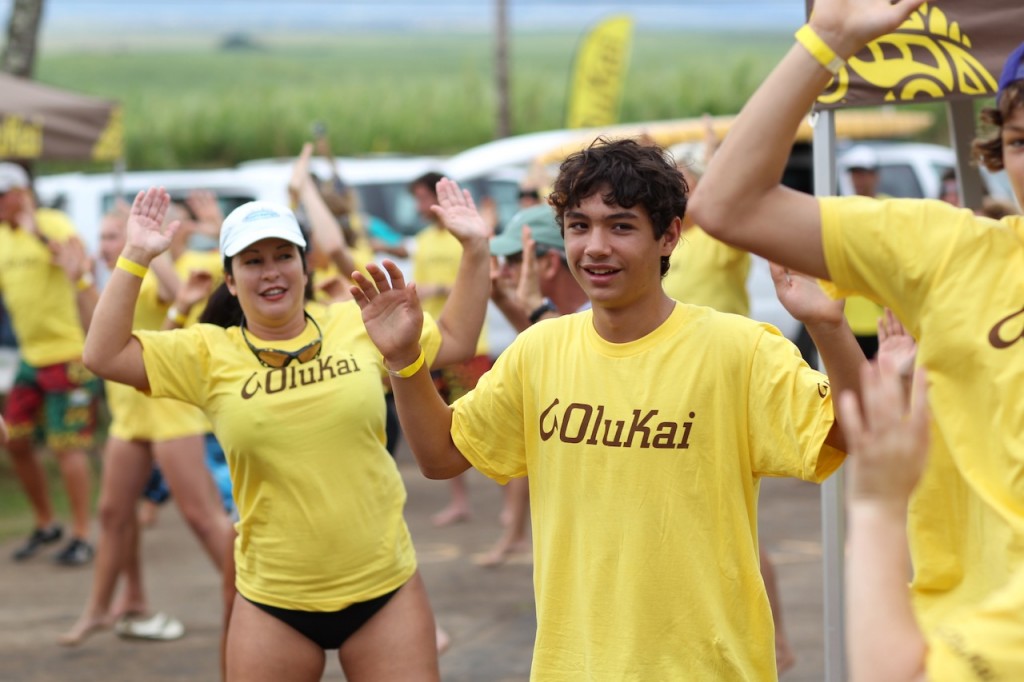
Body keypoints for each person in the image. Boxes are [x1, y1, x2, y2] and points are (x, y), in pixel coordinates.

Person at [352, 138, 866, 679]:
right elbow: (439, 456)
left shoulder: (739, 350)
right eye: (579, 225)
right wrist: (406, 359)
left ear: (668, 236)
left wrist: (828, 327)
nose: (595, 246)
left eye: (620, 226)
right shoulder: (539, 350)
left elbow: (851, 433)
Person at [691, 2, 1024, 675]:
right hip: (955, 651)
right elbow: (727, 205)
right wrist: (829, 41)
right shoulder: (954, 249)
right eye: (1021, 141)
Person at [83, 181, 489, 681]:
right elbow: (103, 354)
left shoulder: (358, 323)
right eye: (252, 262)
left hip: (385, 587)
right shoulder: (208, 352)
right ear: (229, 280)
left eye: (283, 255)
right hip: (273, 599)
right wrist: (135, 256)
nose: (271, 271)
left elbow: (456, 338)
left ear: (305, 265)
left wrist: (475, 248)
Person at [59, 208, 233, 647]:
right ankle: (101, 608)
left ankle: (250, 597)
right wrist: (79, 280)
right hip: (129, 414)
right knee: (113, 514)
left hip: (169, 410)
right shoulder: (113, 282)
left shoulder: (151, 279)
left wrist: (155, 253)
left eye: (113, 235)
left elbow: (184, 299)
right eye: (101, 235)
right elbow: (92, 336)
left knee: (202, 516)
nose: (104, 244)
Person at [0, 161, 100, 566]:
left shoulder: (53, 223)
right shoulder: (3, 240)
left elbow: (78, 263)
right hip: (31, 356)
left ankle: (82, 532)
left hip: (69, 353)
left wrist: (34, 228)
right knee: (15, 438)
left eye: (3, 196)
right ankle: (46, 522)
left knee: (68, 445)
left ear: (22, 193)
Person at [409, 171, 492, 527]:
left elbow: (475, 276)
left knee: (491, 426)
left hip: (469, 347)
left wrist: (440, 287)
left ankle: (514, 502)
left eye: (420, 196)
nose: (416, 204)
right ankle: (460, 501)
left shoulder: (462, 235)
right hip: (433, 343)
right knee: (445, 426)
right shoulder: (423, 240)